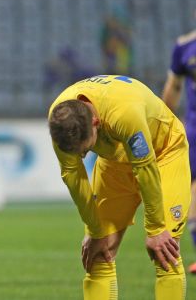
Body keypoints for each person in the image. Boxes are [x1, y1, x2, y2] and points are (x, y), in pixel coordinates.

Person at [48, 74, 191, 300]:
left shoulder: (124, 112)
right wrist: (95, 231)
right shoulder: (60, 119)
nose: (83, 155)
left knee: (165, 251)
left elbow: (145, 168)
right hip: (115, 161)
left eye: (86, 150)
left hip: (163, 153)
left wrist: (155, 229)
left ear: (96, 122)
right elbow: (73, 177)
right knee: (98, 254)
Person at [162, 29, 196, 275]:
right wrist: (165, 122)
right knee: (192, 188)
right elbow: (174, 86)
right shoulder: (185, 46)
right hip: (195, 130)